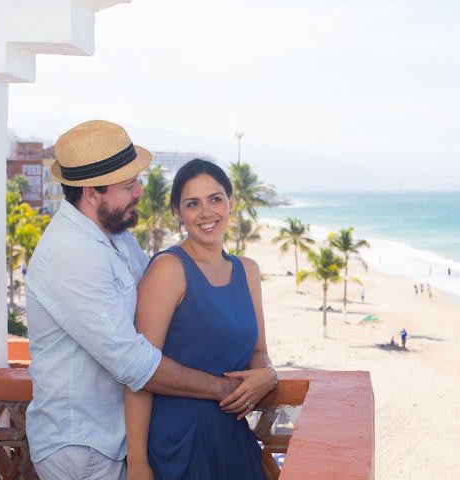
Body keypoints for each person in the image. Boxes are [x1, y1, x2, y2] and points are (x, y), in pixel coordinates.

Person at [24, 121, 239, 480]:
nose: (139, 191)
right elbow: (133, 362)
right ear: (92, 193)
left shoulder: (115, 237)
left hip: (112, 442)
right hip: (83, 449)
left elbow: (163, 301)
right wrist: (223, 389)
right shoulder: (71, 253)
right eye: (128, 185)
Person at [125, 159, 277, 479]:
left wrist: (269, 375)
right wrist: (138, 462)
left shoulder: (247, 271)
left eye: (215, 199)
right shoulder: (169, 269)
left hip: (232, 440)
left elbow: (258, 352)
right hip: (178, 446)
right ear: (179, 214)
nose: (206, 212)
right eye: (193, 204)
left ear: (231, 202)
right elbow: (138, 371)